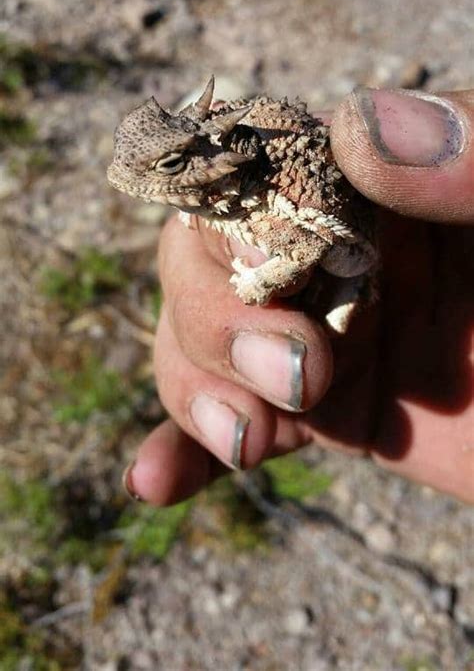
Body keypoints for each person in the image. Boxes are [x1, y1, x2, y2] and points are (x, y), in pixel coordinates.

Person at [122, 87, 474, 505]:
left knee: (337, 309)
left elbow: (305, 249)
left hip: (352, 250)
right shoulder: (223, 180)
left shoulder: (262, 200)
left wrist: (259, 282)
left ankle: (350, 302)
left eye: (171, 165)